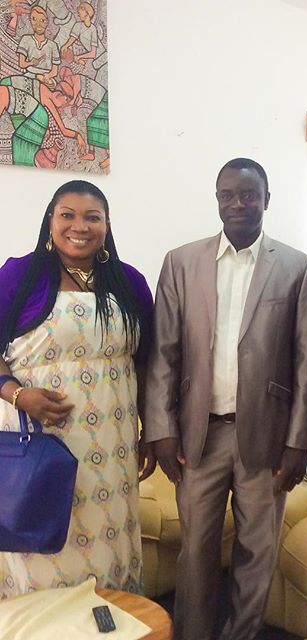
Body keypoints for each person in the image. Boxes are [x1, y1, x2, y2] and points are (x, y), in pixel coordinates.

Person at [145, 158, 307, 640]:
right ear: (217, 199)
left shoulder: (298, 268)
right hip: (199, 435)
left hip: (268, 435)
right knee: (196, 551)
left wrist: (300, 441)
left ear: (267, 200)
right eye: (228, 195)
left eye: (249, 195)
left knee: (257, 552)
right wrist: (161, 429)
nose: (238, 204)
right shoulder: (181, 262)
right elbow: (163, 353)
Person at [0, 180, 155, 599]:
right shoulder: (19, 275)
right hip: (41, 438)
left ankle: (113, 618)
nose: (79, 226)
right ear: (50, 220)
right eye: (67, 215)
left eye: (92, 217)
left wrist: (149, 431)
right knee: (46, 550)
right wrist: (17, 394)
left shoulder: (129, 282)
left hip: (113, 445)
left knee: (109, 547)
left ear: (107, 225)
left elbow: (146, 362)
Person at [17, 6, 60, 86]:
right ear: (30, 21)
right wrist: (31, 63)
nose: (38, 25)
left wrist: (47, 76)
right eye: (34, 20)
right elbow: (21, 64)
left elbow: (54, 71)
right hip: (30, 75)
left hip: (46, 78)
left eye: (42, 20)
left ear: (47, 22)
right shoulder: (25, 39)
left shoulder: (53, 45)